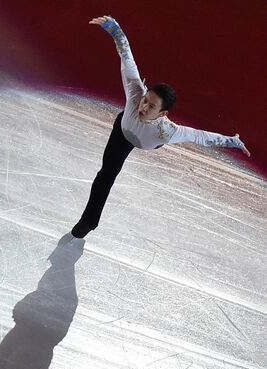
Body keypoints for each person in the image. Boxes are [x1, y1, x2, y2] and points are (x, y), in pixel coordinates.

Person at [71, 16, 251, 239]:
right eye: (146, 99)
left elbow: (201, 137)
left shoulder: (167, 131)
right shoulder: (136, 93)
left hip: (149, 140)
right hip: (123, 132)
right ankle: (88, 222)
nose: (144, 106)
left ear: (163, 114)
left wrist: (232, 141)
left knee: (121, 162)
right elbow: (128, 60)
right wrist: (115, 29)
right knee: (107, 173)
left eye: (152, 106)